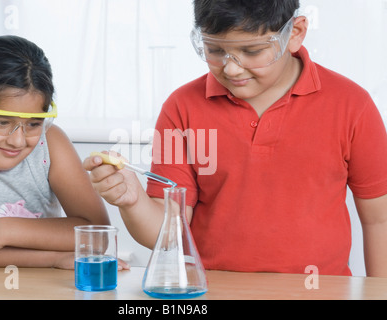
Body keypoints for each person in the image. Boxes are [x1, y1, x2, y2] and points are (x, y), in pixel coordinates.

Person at [85, 0, 387, 277]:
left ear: (294, 33)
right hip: (211, 292)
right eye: (215, 50)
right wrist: (133, 200)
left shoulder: (351, 106)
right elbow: (167, 234)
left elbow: (379, 221)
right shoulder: (181, 109)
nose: (230, 67)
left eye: (252, 52)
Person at [0, 35, 115, 270]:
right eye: (1, 122)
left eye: (33, 124)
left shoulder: (51, 142)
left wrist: (3, 231)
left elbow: (97, 236)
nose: (18, 141)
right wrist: (53, 259)